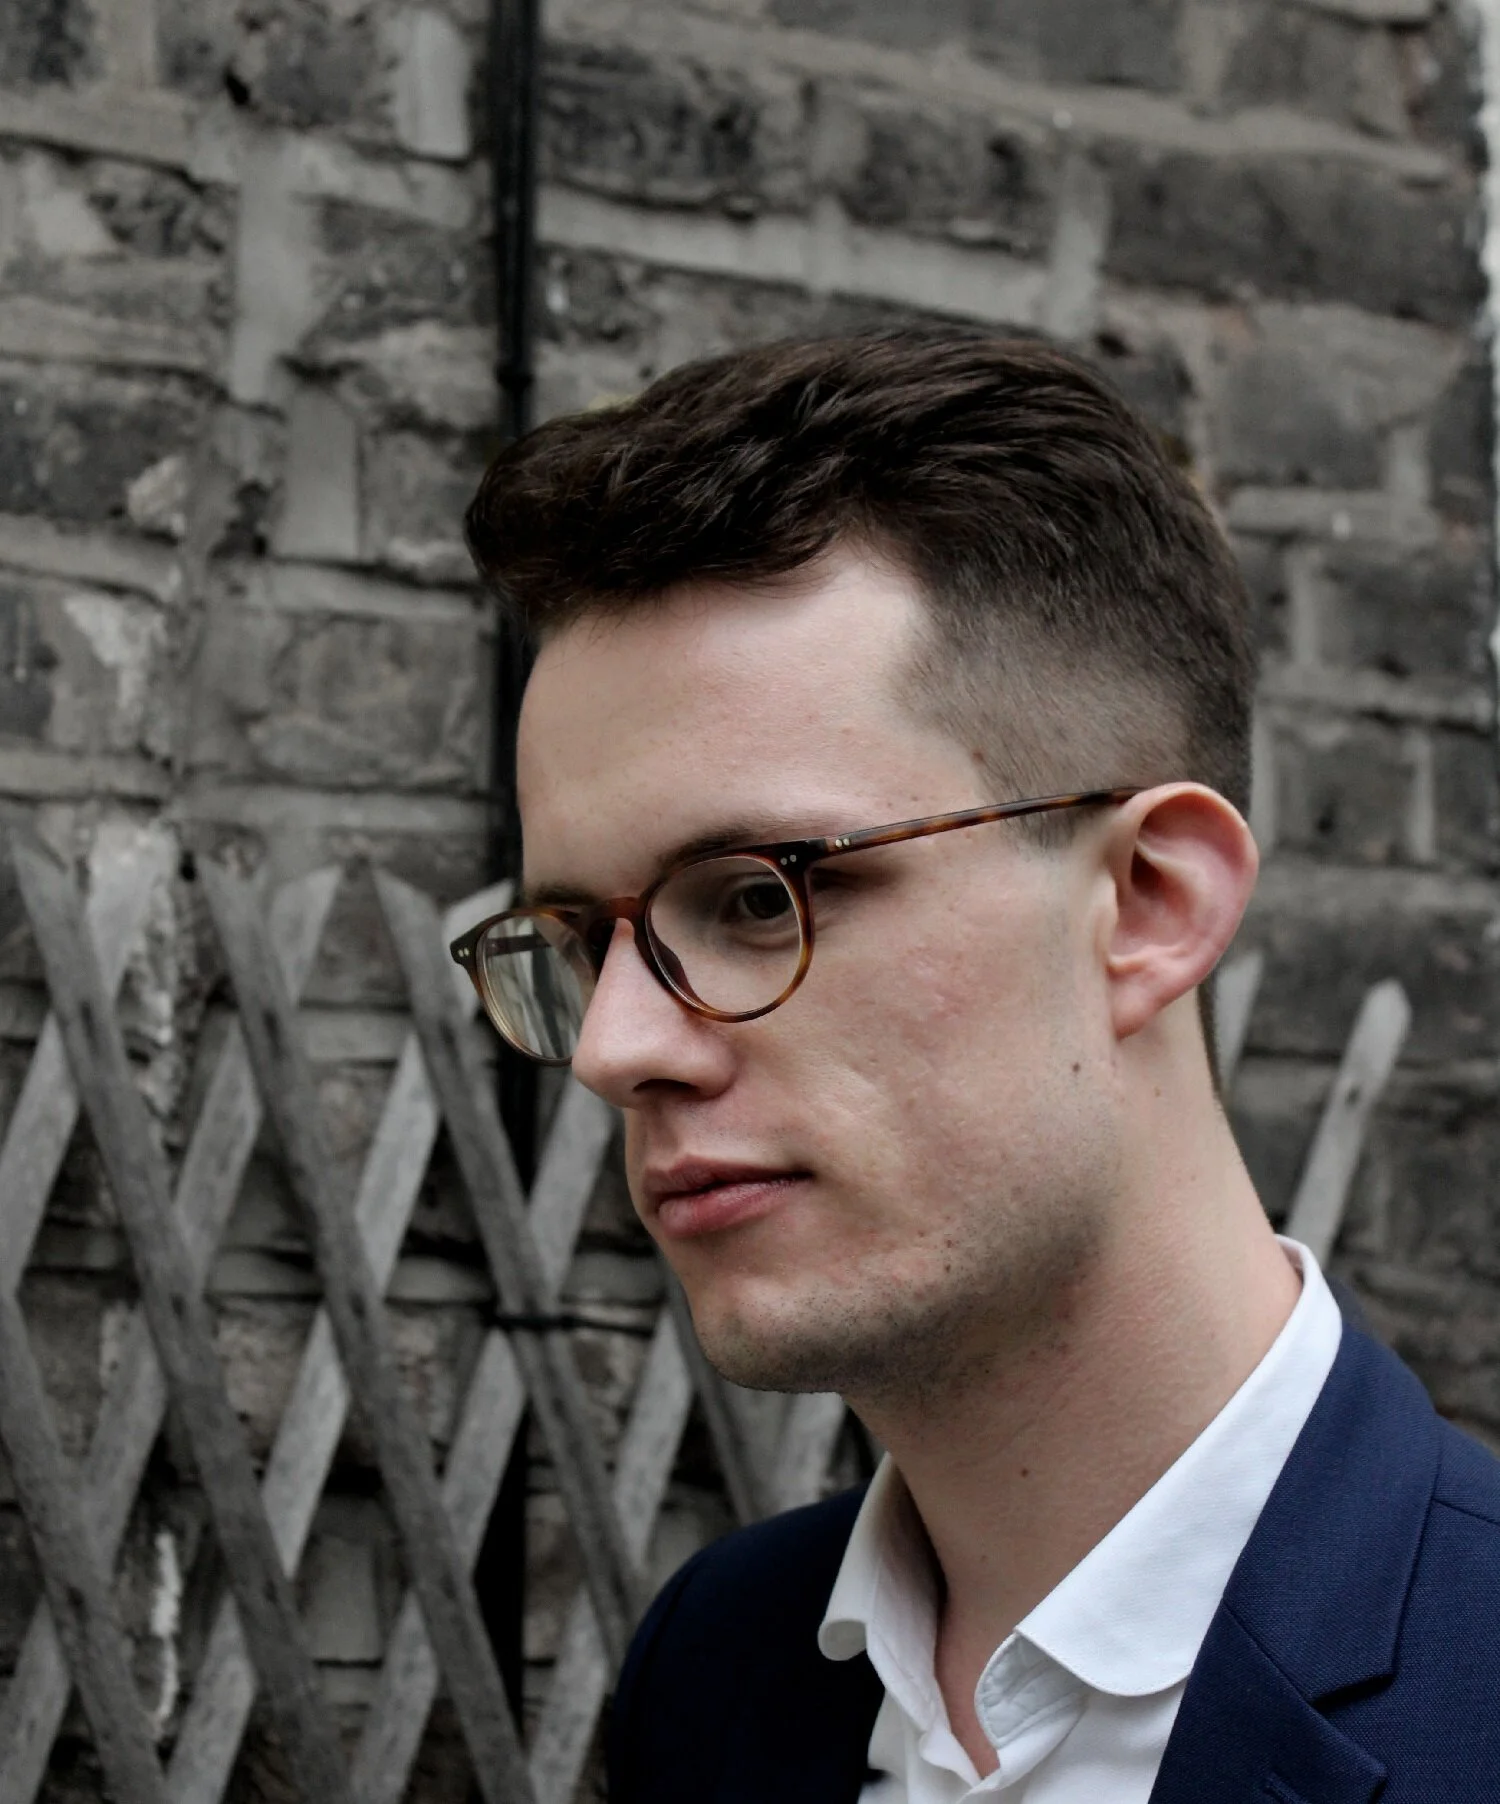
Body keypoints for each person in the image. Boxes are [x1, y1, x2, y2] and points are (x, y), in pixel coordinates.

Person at [457, 330, 1500, 1803]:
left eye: (755, 896)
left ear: (1149, 903)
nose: (617, 1048)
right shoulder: (718, 1672)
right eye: (576, 939)